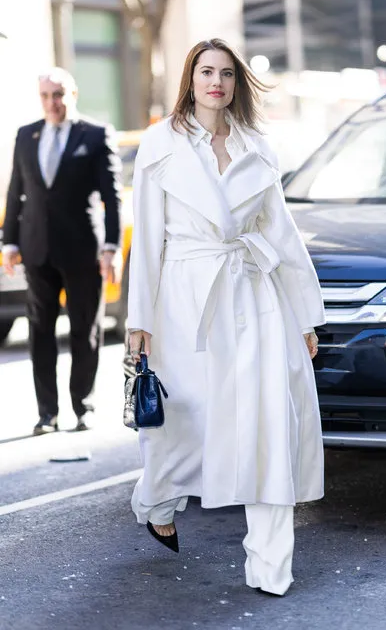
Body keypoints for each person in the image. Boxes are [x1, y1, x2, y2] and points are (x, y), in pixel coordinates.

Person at [127, 38, 325, 596]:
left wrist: (305, 316)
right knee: (184, 421)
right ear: (190, 78)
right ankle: (156, 497)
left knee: (268, 423)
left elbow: (279, 232)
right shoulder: (159, 144)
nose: (216, 82)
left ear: (237, 84)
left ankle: (270, 566)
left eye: (227, 74)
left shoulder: (257, 146)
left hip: (255, 294)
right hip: (185, 301)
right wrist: (138, 319)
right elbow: (147, 241)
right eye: (206, 72)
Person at [2, 67, 122, 435]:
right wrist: (9, 241)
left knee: (86, 329)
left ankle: (82, 406)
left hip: (83, 250)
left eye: (58, 95)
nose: (52, 103)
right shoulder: (26, 135)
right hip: (36, 250)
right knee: (40, 331)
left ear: (73, 95)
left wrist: (111, 247)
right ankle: (47, 413)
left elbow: (111, 196)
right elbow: (15, 191)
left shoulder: (96, 134)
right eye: (45, 96)